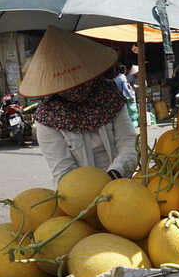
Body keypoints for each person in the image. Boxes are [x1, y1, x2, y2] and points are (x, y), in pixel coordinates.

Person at [19, 26, 138, 185]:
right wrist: (92, 190)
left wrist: (115, 173)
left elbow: (129, 142)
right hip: (80, 195)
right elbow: (64, 172)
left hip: (122, 183)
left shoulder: (109, 95)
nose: (75, 86)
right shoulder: (47, 118)